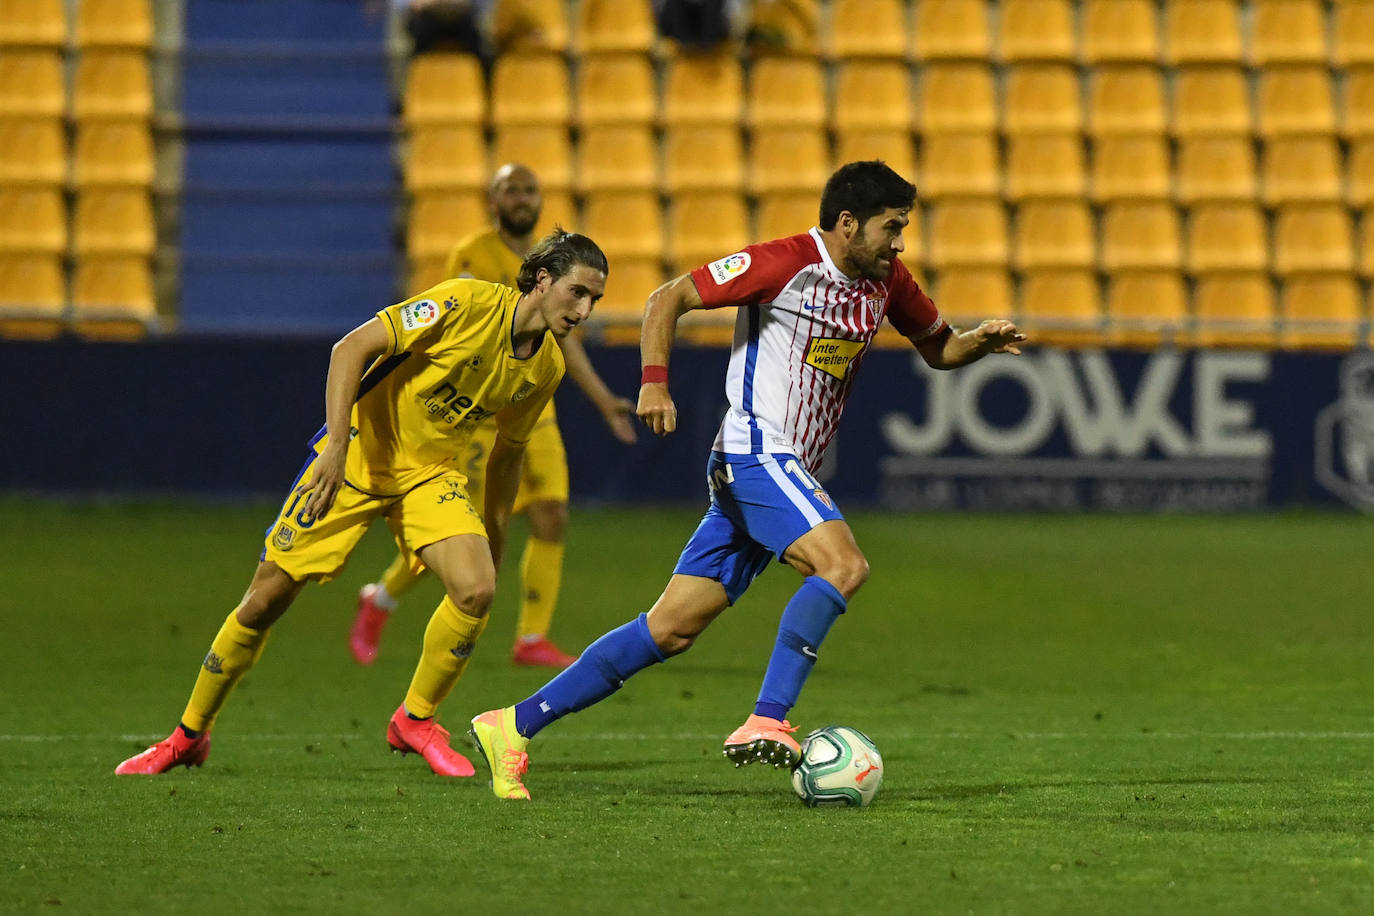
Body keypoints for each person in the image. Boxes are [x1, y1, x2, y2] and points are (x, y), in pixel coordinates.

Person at [468, 160, 1026, 800]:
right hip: (757, 450)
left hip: (783, 470)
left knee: (669, 629)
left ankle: (511, 724)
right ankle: (768, 716)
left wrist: (977, 342)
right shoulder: (785, 263)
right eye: (891, 226)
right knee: (843, 566)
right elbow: (667, 298)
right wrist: (654, 384)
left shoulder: (887, 280)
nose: (900, 241)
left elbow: (938, 347)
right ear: (847, 224)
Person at [115, 229, 609, 777]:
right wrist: (335, 444)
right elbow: (350, 347)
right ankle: (188, 735)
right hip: (354, 462)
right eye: (578, 293)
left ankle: (415, 720)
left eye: (595, 301)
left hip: (429, 475)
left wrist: (495, 534)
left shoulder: (547, 369)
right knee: (263, 602)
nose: (584, 310)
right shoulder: (465, 302)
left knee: (476, 589)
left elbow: (508, 456)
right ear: (543, 279)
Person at [349, 163, 636, 670]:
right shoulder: (473, 256)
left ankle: (531, 638)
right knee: (463, 529)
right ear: (493, 201)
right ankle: (382, 598)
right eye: (512, 190)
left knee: (552, 514)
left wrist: (601, 398)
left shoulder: (565, 273)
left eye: (530, 190)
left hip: (528, 405)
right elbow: (466, 327)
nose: (522, 198)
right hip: (474, 413)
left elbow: (558, 343)